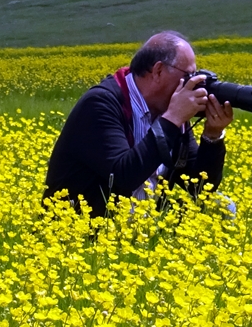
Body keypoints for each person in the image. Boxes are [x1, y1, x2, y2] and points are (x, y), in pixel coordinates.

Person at [42, 31, 234, 217]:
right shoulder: (101, 104)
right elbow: (123, 176)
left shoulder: (169, 110)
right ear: (158, 71)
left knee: (224, 207)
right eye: (188, 76)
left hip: (142, 229)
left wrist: (212, 136)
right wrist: (172, 118)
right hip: (84, 229)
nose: (193, 84)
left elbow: (199, 187)